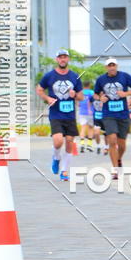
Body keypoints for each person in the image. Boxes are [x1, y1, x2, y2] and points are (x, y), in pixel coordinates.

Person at [36, 49, 83, 181]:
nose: (63, 59)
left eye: (65, 57)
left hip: (70, 116)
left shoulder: (74, 76)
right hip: (56, 114)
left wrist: (75, 95)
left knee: (69, 143)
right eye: (60, 57)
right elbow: (39, 89)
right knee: (58, 142)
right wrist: (47, 98)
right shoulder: (49, 76)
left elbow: (81, 96)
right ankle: (56, 158)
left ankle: (64, 171)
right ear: (57, 60)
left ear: (68, 59)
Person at [94, 58, 131, 181]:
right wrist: (100, 98)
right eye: (109, 66)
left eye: (113, 65)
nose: (112, 67)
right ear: (106, 67)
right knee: (112, 140)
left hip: (123, 114)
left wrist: (126, 94)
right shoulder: (101, 79)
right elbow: (95, 94)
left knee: (122, 145)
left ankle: (118, 159)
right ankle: (115, 169)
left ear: (117, 66)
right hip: (108, 114)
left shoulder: (124, 77)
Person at [78, 81, 95, 152]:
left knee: (83, 128)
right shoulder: (92, 92)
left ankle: (82, 144)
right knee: (91, 128)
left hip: (82, 112)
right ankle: (89, 145)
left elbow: (78, 103)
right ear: (89, 85)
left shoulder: (80, 92)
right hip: (90, 112)